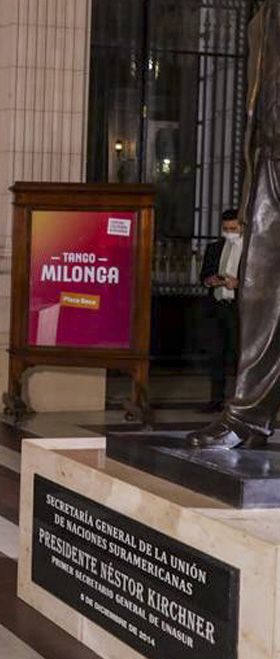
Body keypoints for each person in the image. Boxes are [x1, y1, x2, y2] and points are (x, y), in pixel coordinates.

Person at [189, 1, 280, 449]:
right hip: (270, 164)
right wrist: (249, 194)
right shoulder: (262, 21)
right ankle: (247, 416)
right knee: (258, 291)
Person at [199, 210, 243, 413]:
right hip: (217, 306)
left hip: (239, 309)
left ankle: (241, 401)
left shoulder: (251, 249)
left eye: (233, 229)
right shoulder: (214, 248)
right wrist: (210, 280)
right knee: (215, 355)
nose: (229, 232)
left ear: (242, 227)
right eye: (225, 229)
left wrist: (239, 284)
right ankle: (215, 400)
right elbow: (204, 276)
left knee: (238, 355)